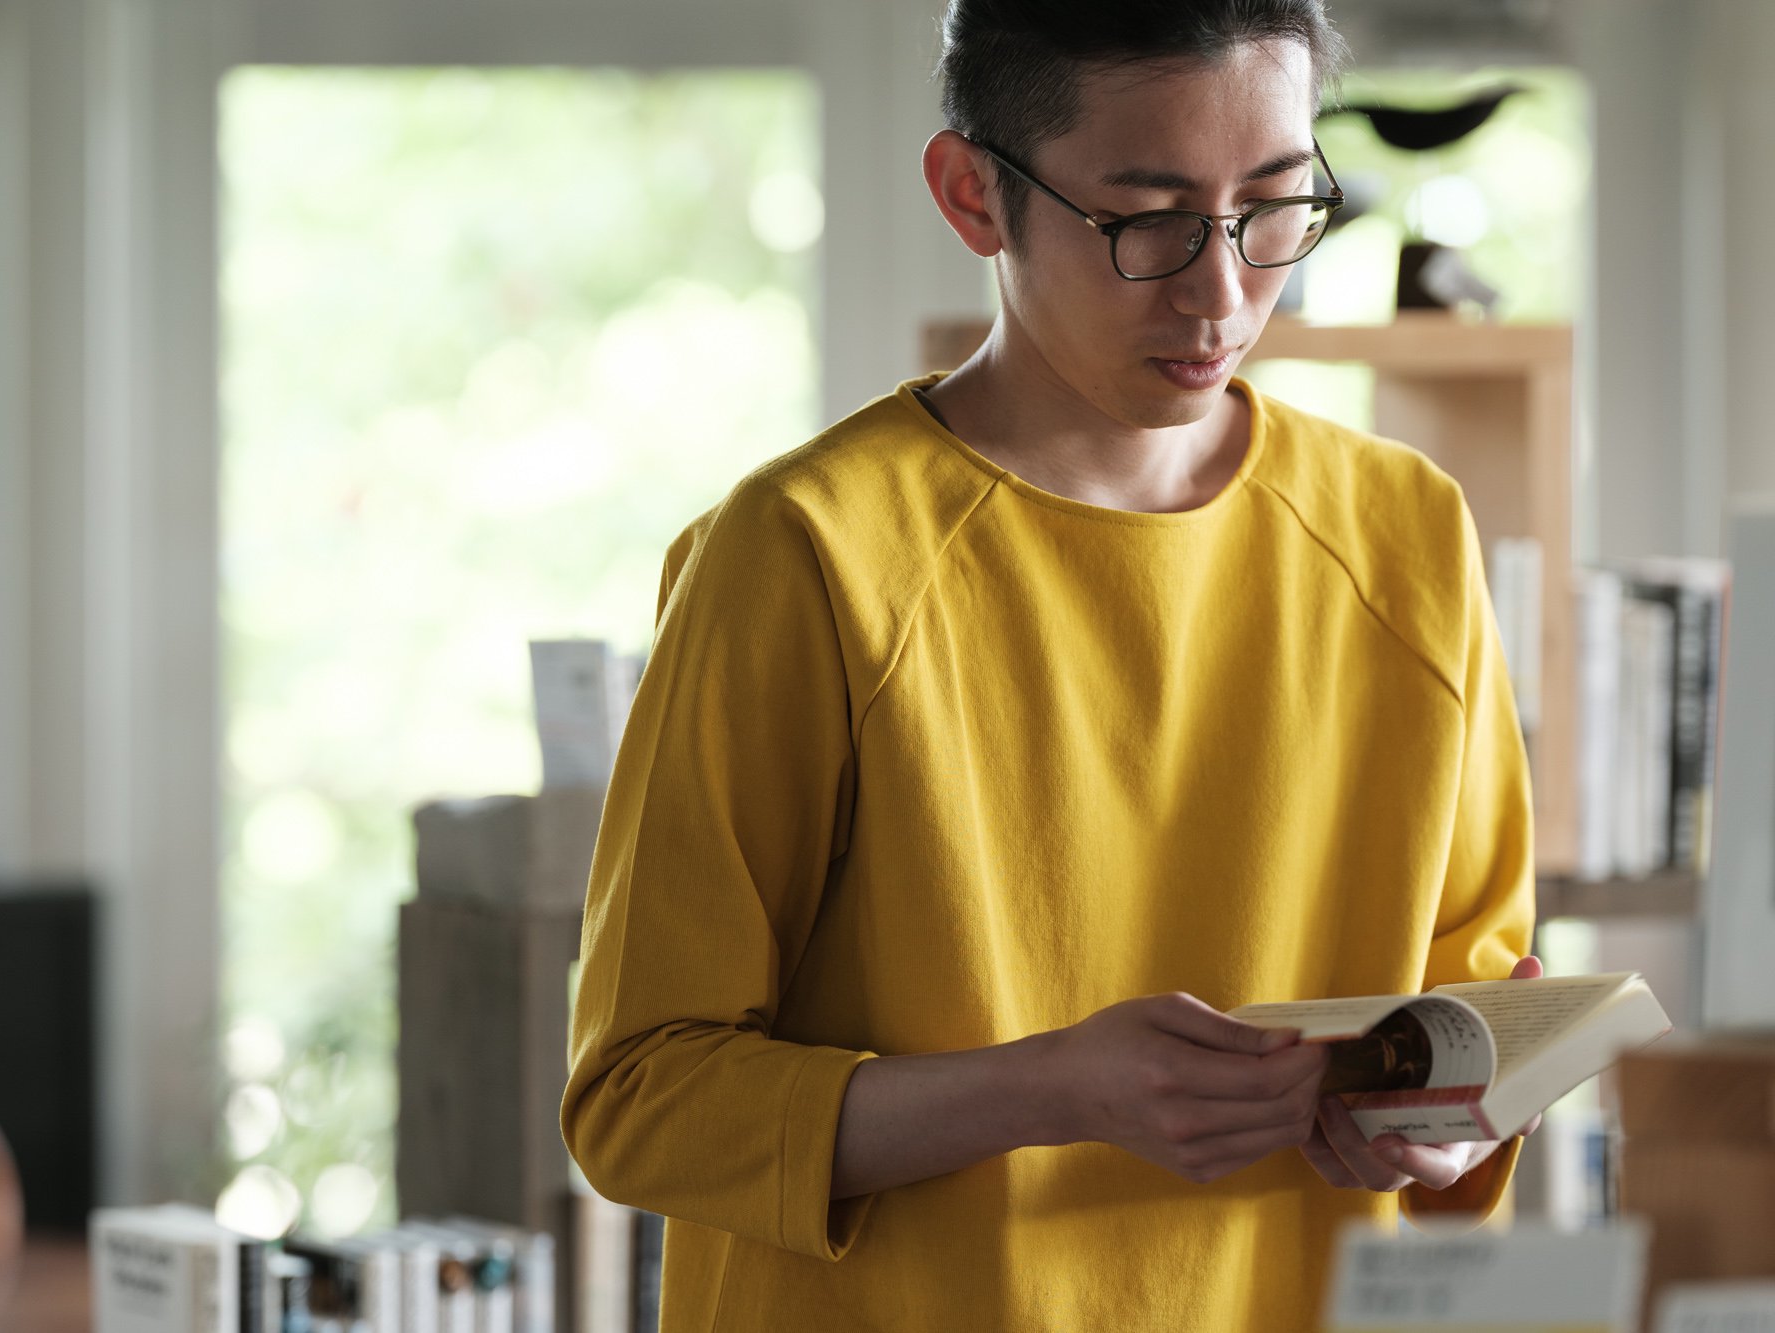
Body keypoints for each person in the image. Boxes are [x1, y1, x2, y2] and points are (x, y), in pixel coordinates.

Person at [562, 2, 1538, 1328]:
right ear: (973, 194)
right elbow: (642, 1102)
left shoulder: (1407, 534)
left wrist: (1450, 1124)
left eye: (1276, 206)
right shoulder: (805, 553)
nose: (1224, 289)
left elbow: (1476, 1017)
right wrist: (1048, 1088)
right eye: (1149, 219)